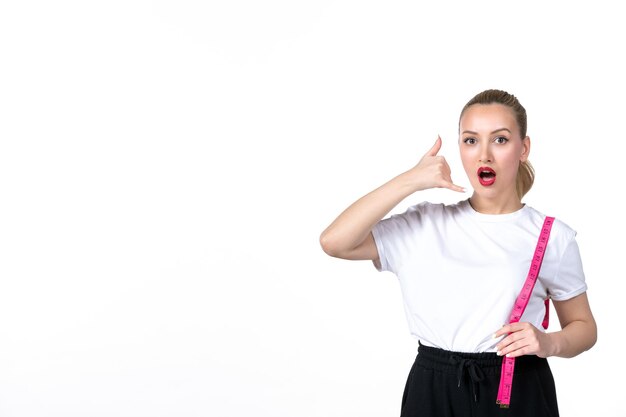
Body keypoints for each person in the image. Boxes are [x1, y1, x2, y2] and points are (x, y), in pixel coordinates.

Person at [319, 89, 597, 416]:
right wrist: (410, 180)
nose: (484, 155)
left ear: (524, 149)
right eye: (470, 140)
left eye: (500, 140)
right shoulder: (424, 225)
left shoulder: (551, 236)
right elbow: (335, 241)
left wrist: (550, 344)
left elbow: (584, 327)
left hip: (519, 387)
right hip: (432, 388)